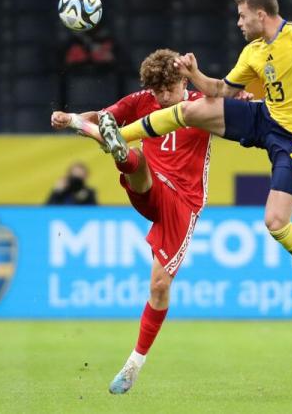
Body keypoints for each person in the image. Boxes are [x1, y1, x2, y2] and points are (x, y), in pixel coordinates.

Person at [97, 0, 292, 305]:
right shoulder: (253, 52)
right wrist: (195, 73)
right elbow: (220, 90)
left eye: (242, 16)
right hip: (267, 117)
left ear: (261, 14)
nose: (238, 23)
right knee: (191, 110)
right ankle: (119, 137)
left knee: (275, 222)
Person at [52, 48, 227, 394]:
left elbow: (233, 102)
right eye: (156, 91)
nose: (163, 98)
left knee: (160, 287)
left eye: (169, 90)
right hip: (149, 189)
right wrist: (71, 118)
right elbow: (103, 115)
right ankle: (123, 156)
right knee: (134, 159)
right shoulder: (141, 101)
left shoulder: (202, 105)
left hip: (185, 202)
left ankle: (134, 364)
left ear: (182, 81)